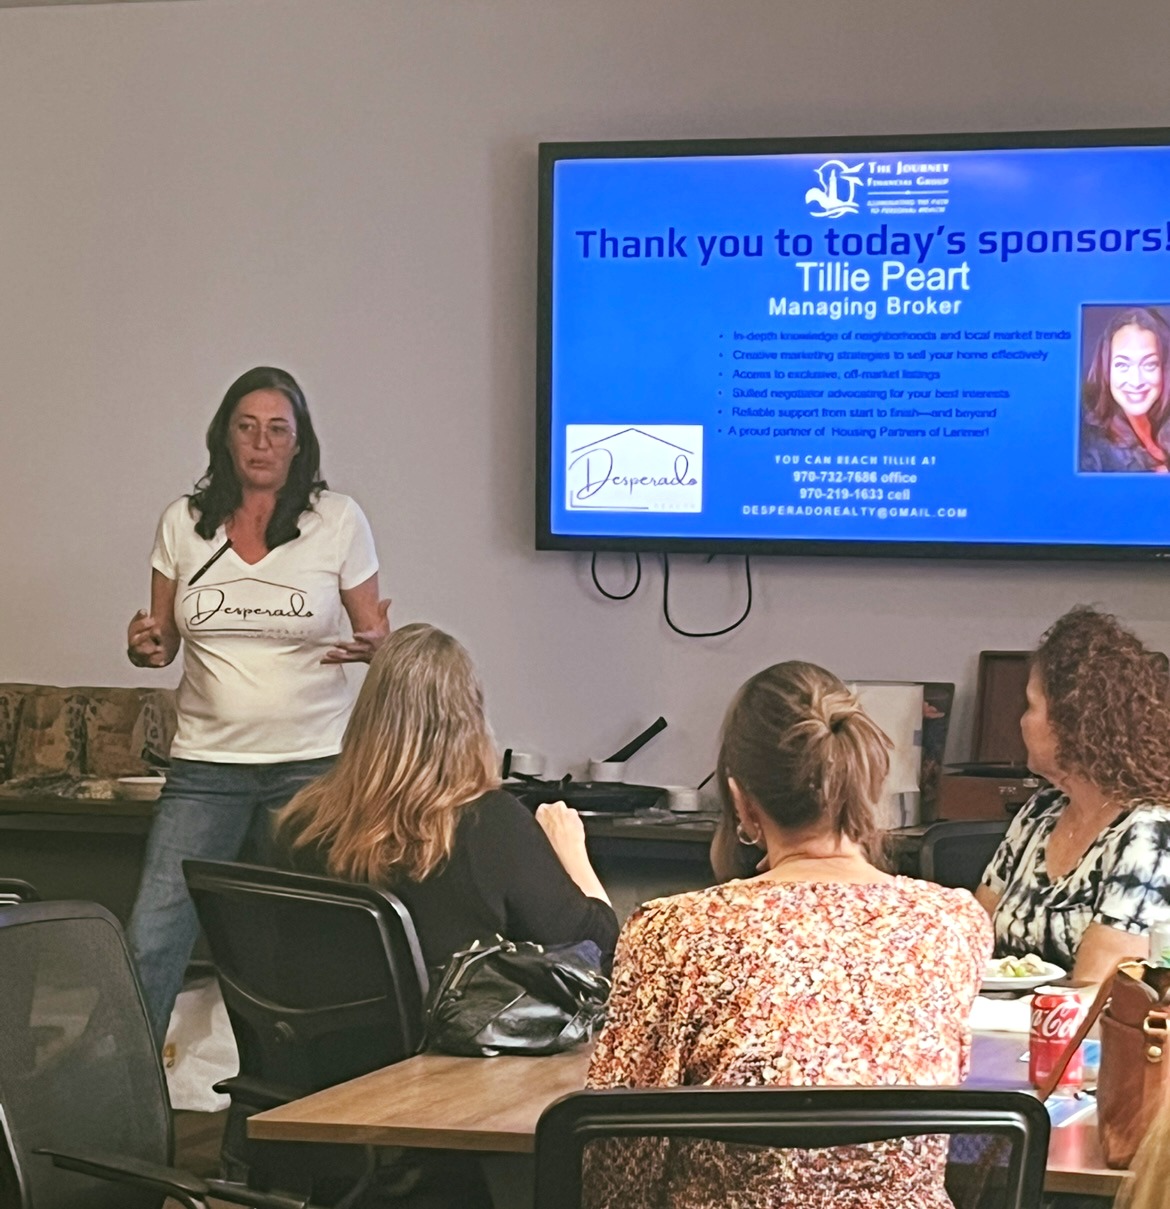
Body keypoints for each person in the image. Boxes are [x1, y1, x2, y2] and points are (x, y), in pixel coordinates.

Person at [585, 660, 992, 1209]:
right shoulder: (953, 922)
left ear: (741, 801)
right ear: (862, 784)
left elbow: (617, 1166)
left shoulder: (675, 933)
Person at [125, 366, 391, 1045]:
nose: (262, 442)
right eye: (247, 427)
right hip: (204, 768)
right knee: (154, 934)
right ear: (225, 436)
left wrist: (376, 649)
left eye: (278, 429)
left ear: (299, 443)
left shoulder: (337, 520)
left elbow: (377, 638)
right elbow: (161, 645)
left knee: (312, 940)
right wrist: (144, 645)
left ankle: (319, 1090)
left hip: (312, 769)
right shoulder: (182, 524)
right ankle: (121, 1088)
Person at [274, 622, 619, 976]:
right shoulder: (491, 823)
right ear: (471, 720)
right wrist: (571, 850)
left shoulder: (303, 820)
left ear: (368, 713)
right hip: (444, 1015)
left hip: (322, 1014)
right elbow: (602, 949)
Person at [976, 606, 1170, 984]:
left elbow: (1098, 986)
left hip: (1079, 1019)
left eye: (1031, 706)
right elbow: (974, 935)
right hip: (998, 1014)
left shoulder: (1150, 833)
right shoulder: (1041, 811)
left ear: (1073, 723)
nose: (1022, 721)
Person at [1080, 307, 1170, 472]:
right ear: (1106, 370)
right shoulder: (1091, 452)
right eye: (1122, 365)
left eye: (1149, 364)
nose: (1136, 381)